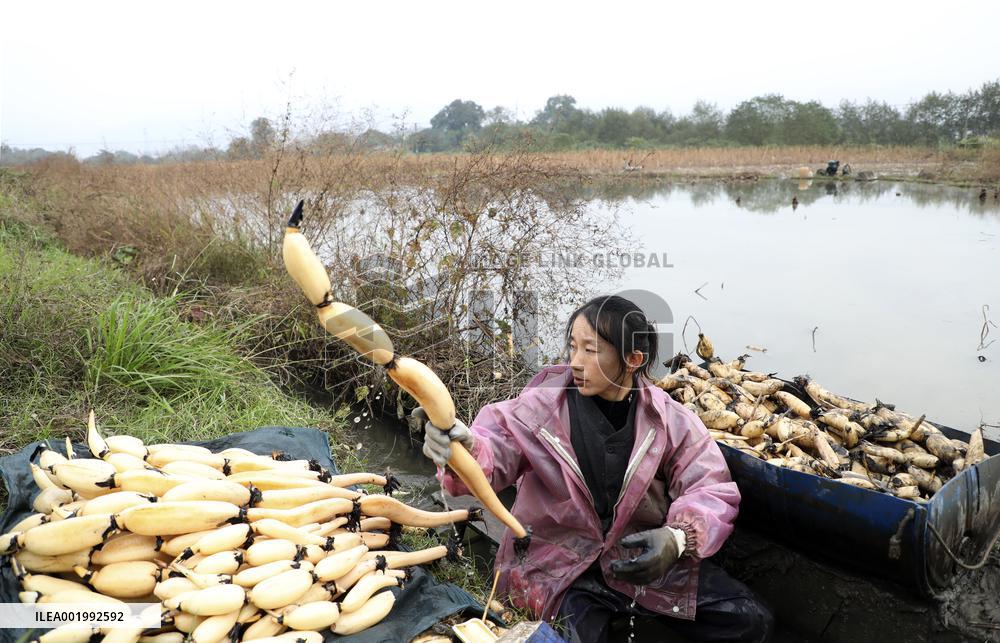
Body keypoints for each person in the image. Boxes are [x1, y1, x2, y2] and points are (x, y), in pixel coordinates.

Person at [414, 295, 773, 643]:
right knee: (573, 633)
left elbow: (710, 487)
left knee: (749, 618)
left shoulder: (670, 422)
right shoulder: (539, 409)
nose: (576, 361)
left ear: (633, 359)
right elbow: (494, 452)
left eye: (591, 350)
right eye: (572, 346)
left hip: (637, 561)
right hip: (557, 564)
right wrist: (465, 449)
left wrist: (677, 539)